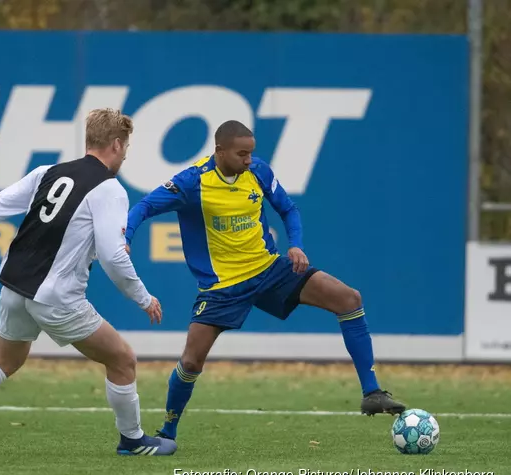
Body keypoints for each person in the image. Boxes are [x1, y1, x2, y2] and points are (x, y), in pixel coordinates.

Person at [125, 120, 405, 442]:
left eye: (251, 153)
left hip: (269, 270)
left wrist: (295, 244)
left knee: (349, 298)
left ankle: (372, 392)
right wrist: (127, 237)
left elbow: (288, 209)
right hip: (222, 286)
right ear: (219, 152)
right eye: (241, 154)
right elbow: (144, 206)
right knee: (191, 361)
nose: (248, 160)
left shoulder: (258, 172)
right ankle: (168, 432)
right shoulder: (192, 182)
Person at [0, 108, 176, 456]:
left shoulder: (49, 172)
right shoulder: (109, 189)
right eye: (127, 145)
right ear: (117, 145)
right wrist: (143, 297)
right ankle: (133, 440)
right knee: (122, 360)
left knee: (4, 360)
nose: (126, 152)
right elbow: (113, 256)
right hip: (56, 297)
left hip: (14, 286)